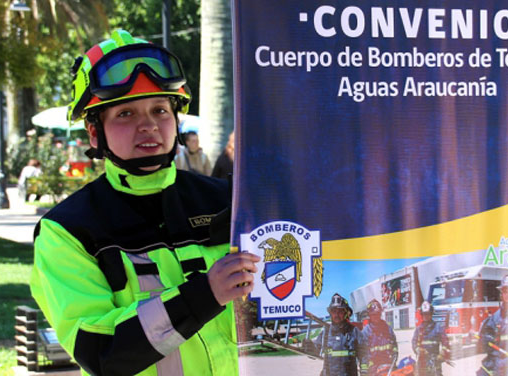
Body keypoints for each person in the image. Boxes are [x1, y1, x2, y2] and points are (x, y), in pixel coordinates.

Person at [29, 30, 260, 376]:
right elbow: (102, 354)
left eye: (160, 110)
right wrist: (205, 294)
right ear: (95, 132)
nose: (149, 125)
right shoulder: (67, 232)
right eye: (125, 114)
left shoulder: (231, 200)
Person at [314, 293, 362, 376]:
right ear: (330, 313)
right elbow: (314, 351)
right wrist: (308, 346)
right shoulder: (325, 332)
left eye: (340, 311)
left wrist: (364, 371)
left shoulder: (354, 331)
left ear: (345, 313)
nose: (336, 315)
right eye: (334, 311)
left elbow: (364, 354)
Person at [359, 299, 398, 375]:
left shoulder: (387, 328)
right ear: (369, 315)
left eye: (377, 313)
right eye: (373, 314)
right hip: (374, 369)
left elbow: (394, 345)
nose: (376, 316)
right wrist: (365, 369)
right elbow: (362, 353)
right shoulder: (366, 332)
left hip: (388, 366)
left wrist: (395, 353)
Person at [411, 301, 450, 376]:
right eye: (424, 314)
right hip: (422, 362)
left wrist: (442, 353)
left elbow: (445, 341)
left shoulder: (438, 327)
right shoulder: (418, 329)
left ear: (431, 314)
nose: (426, 316)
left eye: (428, 314)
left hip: (435, 360)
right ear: (422, 315)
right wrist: (417, 350)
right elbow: (414, 342)